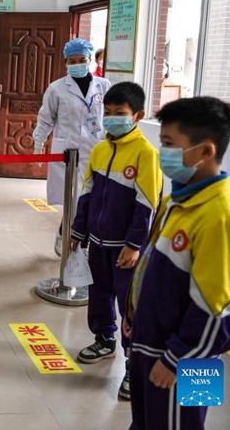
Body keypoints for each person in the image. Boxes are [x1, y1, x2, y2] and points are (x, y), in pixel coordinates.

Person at [125, 97, 230, 430]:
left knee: (183, 425)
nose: (161, 151)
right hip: (153, 347)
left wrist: (177, 358)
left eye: (168, 144)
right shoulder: (176, 201)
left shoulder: (221, 218)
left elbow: (217, 309)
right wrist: (133, 315)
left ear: (205, 151)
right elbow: (149, 268)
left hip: (188, 361)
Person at [69, 82, 162, 400]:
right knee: (99, 294)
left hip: (126, 249)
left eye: (119, 113)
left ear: (137, 116)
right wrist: (78, 231)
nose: (111, 119)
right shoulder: (99, 150)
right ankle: (104, 339)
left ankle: (134, 363)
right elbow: (86, 193)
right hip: (98, 243)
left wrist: (134, 245)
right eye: (107, 112)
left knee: (130, 305)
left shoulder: (146, 154)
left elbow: (147, 205)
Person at [33, 38, 111, 256]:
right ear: (66, 62)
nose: (77, 64)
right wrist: (38, 143)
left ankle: (75, 238)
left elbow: (111, 115)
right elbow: (46, 118)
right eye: (72, 61)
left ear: (90, 60)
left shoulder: (104, 85)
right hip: (67, 152)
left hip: (96, 149)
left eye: (82, 60)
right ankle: (67, 235)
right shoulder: (57, 88)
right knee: (75, 200)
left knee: (93, 199)